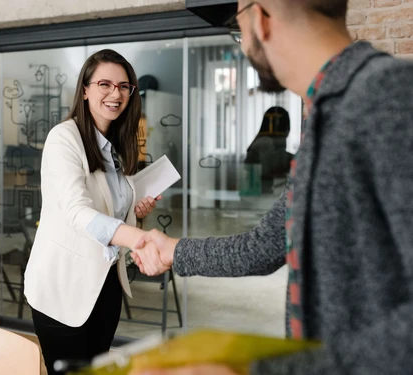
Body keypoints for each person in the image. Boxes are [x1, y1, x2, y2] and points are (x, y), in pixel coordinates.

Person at [131, 0, 413, 374]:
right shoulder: (326, 117)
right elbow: (266, 246)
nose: (242, 42)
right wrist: (174, 250)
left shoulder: (389, 97)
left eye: (238, 26)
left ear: (260, 19)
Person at [24, 49, 161, 375]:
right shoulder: (64, 138)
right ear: (84, 90)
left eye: (124, 86)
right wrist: (141, 238)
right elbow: (77, 211)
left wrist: (135, 213)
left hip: (106, 285)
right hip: (62, 289)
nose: (116, 93)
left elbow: (110, 209)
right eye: (105, 84)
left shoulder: (116, 146)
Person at [244, 106, 292, 194]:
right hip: (256, 195)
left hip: (261, 192)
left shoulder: (266, 141)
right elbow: (269, 167)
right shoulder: (265, 142)